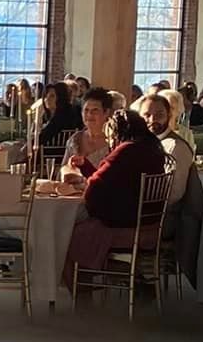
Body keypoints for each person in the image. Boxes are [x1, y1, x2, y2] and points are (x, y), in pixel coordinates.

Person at [62, 109, 167, 291]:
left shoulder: (126, 151)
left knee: (65, 237)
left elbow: (95, 191)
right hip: (148, 222)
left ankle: (81, 296)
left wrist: (84, 185)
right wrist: (86, 168)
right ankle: (130, 280)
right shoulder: (151, 149)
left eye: (110, 136)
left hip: (124, 225)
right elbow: (112, 180)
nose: (110, 142)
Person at [138, 92, 192, 203]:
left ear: (169, 115)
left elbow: (174, 194)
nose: (153, 120)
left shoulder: (175, 146)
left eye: (159, 115)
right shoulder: (142, 143)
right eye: (147, 115)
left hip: (166, 215)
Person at [62, 89, 114, 179]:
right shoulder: (75, 139)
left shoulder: (114, 142)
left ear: (106, 112)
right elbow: (64, 169)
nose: (89, 114)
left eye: (95, 110)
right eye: (86, 110)